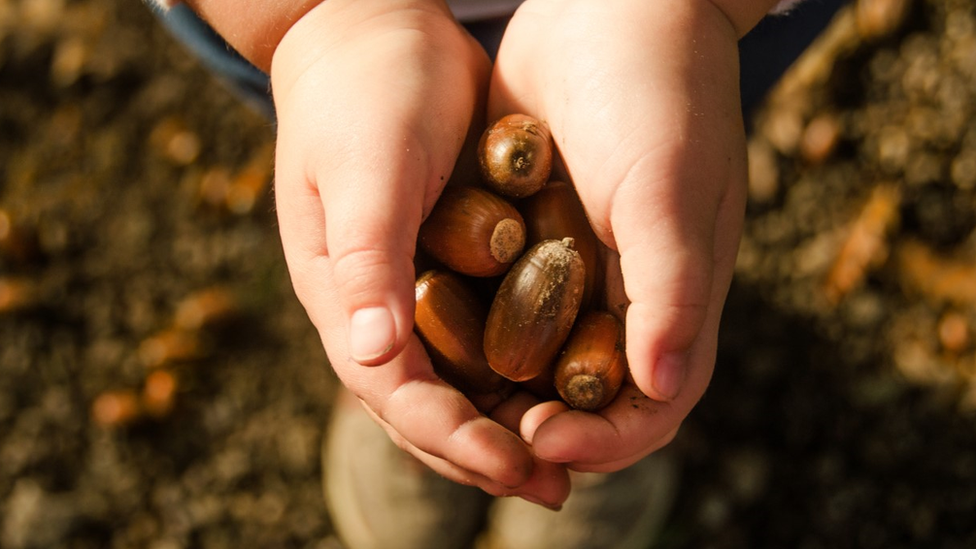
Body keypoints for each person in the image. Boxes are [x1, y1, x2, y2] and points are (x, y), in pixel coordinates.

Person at [147, 0, 847, 547]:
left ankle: (597, 410)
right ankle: (400, 347)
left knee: (664, 163)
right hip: (330, 37)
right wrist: (309, 25)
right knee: (365, 179)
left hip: (663, 33)